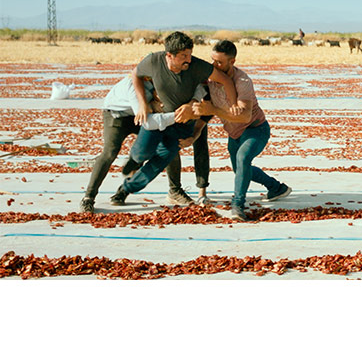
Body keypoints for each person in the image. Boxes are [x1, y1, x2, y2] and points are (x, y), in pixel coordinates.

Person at [109, 31, 239, 206]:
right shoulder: (154, 61)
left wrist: (233, 106)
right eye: (184, 56)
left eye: (190, 54)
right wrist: (142, 103)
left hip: (181, 126)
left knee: (158, 163)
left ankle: (125, 190)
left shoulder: (197, 67)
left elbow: (226, 81)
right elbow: (136, 75)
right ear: (169, 55)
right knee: (142, 152)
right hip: (158, 120)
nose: (189, 60)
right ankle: (134, 159)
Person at [192, 40, 292, 221]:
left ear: (232, 61)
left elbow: (244, 117)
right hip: (234, 133)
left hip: (255, 129)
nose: (214, 65)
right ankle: (276, 187)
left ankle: (238, 205)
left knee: (243, 159)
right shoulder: (210, 78)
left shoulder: (243, 81)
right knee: (240, 169)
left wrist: (213, 110)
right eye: (212, 60)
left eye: (219, 62)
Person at [78, 75, 207, 213]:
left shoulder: (162, 80)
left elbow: (194, 88)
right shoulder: (133, 86)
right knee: (110, 152)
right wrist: (177, 114)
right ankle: (88, 198)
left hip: (147, 115)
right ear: (146, 76)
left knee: (169, 143)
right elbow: (148, 121)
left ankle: (171, 191)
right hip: (117, 116)